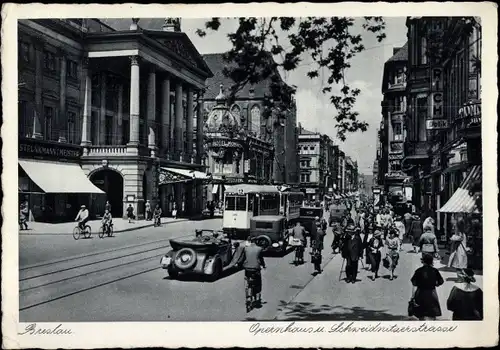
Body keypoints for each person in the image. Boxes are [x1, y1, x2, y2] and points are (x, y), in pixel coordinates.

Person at [410, 254, 444, 320]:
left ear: (423, 261)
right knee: (432, 313)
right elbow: (441, 281)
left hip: (420, 293)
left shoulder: (418, 271)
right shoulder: (435, 270)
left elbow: (414, 283)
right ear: (431, 261)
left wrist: (412, 296)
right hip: (432, 293)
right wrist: (436, 284)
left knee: (421, 314)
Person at [241, 237, 266, 305]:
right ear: (256, 242)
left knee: (247, 281)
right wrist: (263, 266)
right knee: (258, 283)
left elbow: (243, 258)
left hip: (247, 268)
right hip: (255, 268)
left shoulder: (246, 248)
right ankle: (257, 297)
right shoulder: (259, 249)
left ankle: (248, 296)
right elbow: (261, 259)